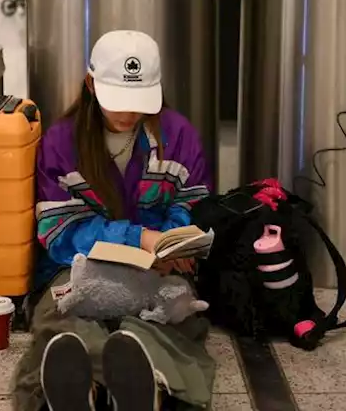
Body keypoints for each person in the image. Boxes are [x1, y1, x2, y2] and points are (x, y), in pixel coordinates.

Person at [12, 30, 216, 411]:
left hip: (161, 266)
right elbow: (60, 234)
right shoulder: (61, 143)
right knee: (62, 320)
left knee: (171, 318)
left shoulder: (178, 135)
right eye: (117, 100)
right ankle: (80, 386)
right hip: (76, 266)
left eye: (138, 101)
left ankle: (145, 382)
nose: (127, 113)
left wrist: (172, 245)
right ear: (90, 84)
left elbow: (193, 205)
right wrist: (140, 239)